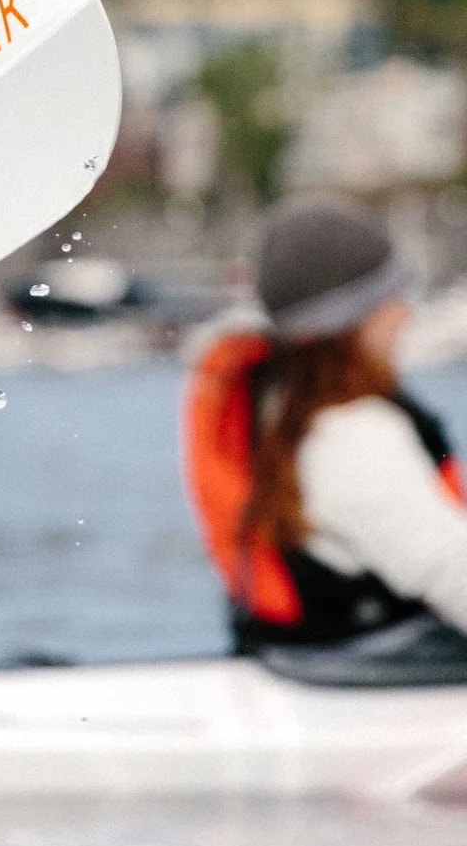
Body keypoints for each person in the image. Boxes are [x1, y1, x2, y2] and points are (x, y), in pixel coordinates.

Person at [182, 197, 467, 675]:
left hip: (317, 665)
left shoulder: (280, 413)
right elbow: (453, 574)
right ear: (347, 323)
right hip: (378, 691)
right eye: (389, 298)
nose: (404, 315)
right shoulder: (352, 436)